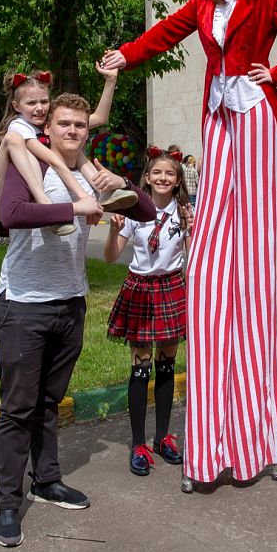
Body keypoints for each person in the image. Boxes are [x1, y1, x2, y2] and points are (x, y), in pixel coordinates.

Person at [103, 0, 277, 486]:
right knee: (214, 240)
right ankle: (207, 267)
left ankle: (256, 431)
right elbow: (164, 34)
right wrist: (126, 54)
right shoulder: (200, 0)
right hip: (219, 119)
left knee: (250, 244)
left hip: (255, 115)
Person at [0, 92, 156, 548]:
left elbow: (144, 210)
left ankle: (47, 480)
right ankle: (9, 503)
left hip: (69, 302)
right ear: (50, 128)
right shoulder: (29, 161)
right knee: (18, 408)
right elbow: (12, 213)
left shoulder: (89, 172)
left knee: (49, 401)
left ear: (87, 130)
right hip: (24, 303)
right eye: (63, 124)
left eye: (79, 126)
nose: (71, 131)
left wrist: (117, 180)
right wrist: (75, 207)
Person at [104, 148, 193, 476]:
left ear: (178, 179)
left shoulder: (184, 212)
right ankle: (138, 443)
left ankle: (163, 438)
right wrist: (114, 229)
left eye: (170, 174)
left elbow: (194, 257)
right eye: (157, 173)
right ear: (147, 177)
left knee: (167, 366)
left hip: (171, 288)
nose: (163, 178)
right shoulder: (132, 210)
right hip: (141, 290)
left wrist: (194, 229)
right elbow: (112, 256)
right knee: (141, 369)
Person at [0, 64, 137, 236]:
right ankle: (44, 203)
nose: (39, 108)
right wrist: (83, 197)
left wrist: (111, 80)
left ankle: (105, 190)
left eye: (44, 101)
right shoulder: (19, 126)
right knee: (19, 140)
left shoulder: (51, 124)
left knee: (73, 145)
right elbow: (55, 162)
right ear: (16, 106)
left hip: (37, 169)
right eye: (31, 103)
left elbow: (100, 117)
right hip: (0, 185)